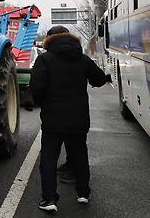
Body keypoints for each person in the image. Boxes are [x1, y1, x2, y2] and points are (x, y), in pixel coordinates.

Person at [30, 25, 111, 213]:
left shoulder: (45, 59)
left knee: (49, 159)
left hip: (53, 119)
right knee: (79, 155)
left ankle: (49, 199)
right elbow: (98, 80)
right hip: (78, 118)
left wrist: (43, 103)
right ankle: (83, 193)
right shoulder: (82, 59)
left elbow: (37, 88)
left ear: (49, 40)